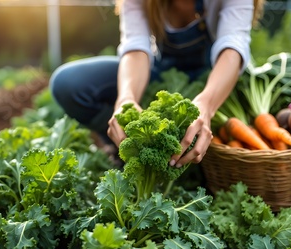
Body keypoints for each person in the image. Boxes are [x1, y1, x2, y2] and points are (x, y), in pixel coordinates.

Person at [50, 0, 264, 168]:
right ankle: (124, 145)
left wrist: (206, 105)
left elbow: (232, 47)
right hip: (161, 77)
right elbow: (135, 48)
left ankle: (193, 152)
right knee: (68, 84)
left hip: (215, 79)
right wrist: (126, 98)